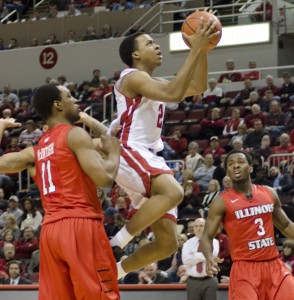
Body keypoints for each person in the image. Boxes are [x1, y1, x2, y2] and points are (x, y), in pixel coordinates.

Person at [84, 19, 219, 279]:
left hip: (146, 155)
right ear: (135, 54)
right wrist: (194, 49)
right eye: (150, 44)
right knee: (174, 191)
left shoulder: (152, 81)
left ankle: (115, 271)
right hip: (129, 149)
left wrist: (201, 51)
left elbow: (197, 87)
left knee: (167, 244)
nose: (157, 47)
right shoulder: (132, 77)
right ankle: (116, 242)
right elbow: (174, 93)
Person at [0, 84, 121, 299]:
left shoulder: (35, 151)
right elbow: (105, 177)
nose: (75, 100)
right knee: (100, 294)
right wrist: (114, 154)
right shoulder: (75, 135)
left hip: (50, 232)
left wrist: (0, 127)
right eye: (69, 96)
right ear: (58, 105)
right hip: (80, 224)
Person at [200, 150, 294, 300]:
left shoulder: (269, 193)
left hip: (274, 265)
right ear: (227, 173)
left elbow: (286, 225)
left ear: (250, 167)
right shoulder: (221, 201)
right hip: (245, 268)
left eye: (240, 162)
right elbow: (206, 236)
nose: (236, 166)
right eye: (231, 164)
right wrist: (209, 256)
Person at [182, 218, 219, 300]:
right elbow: (186, 260)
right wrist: (204, 255)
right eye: (196, 226)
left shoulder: (214, 242)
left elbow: (212, 256)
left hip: (210, 280)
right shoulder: (187, 243)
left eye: (201, 226)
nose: (198, 228)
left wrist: (193, 255)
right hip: (192, 282)